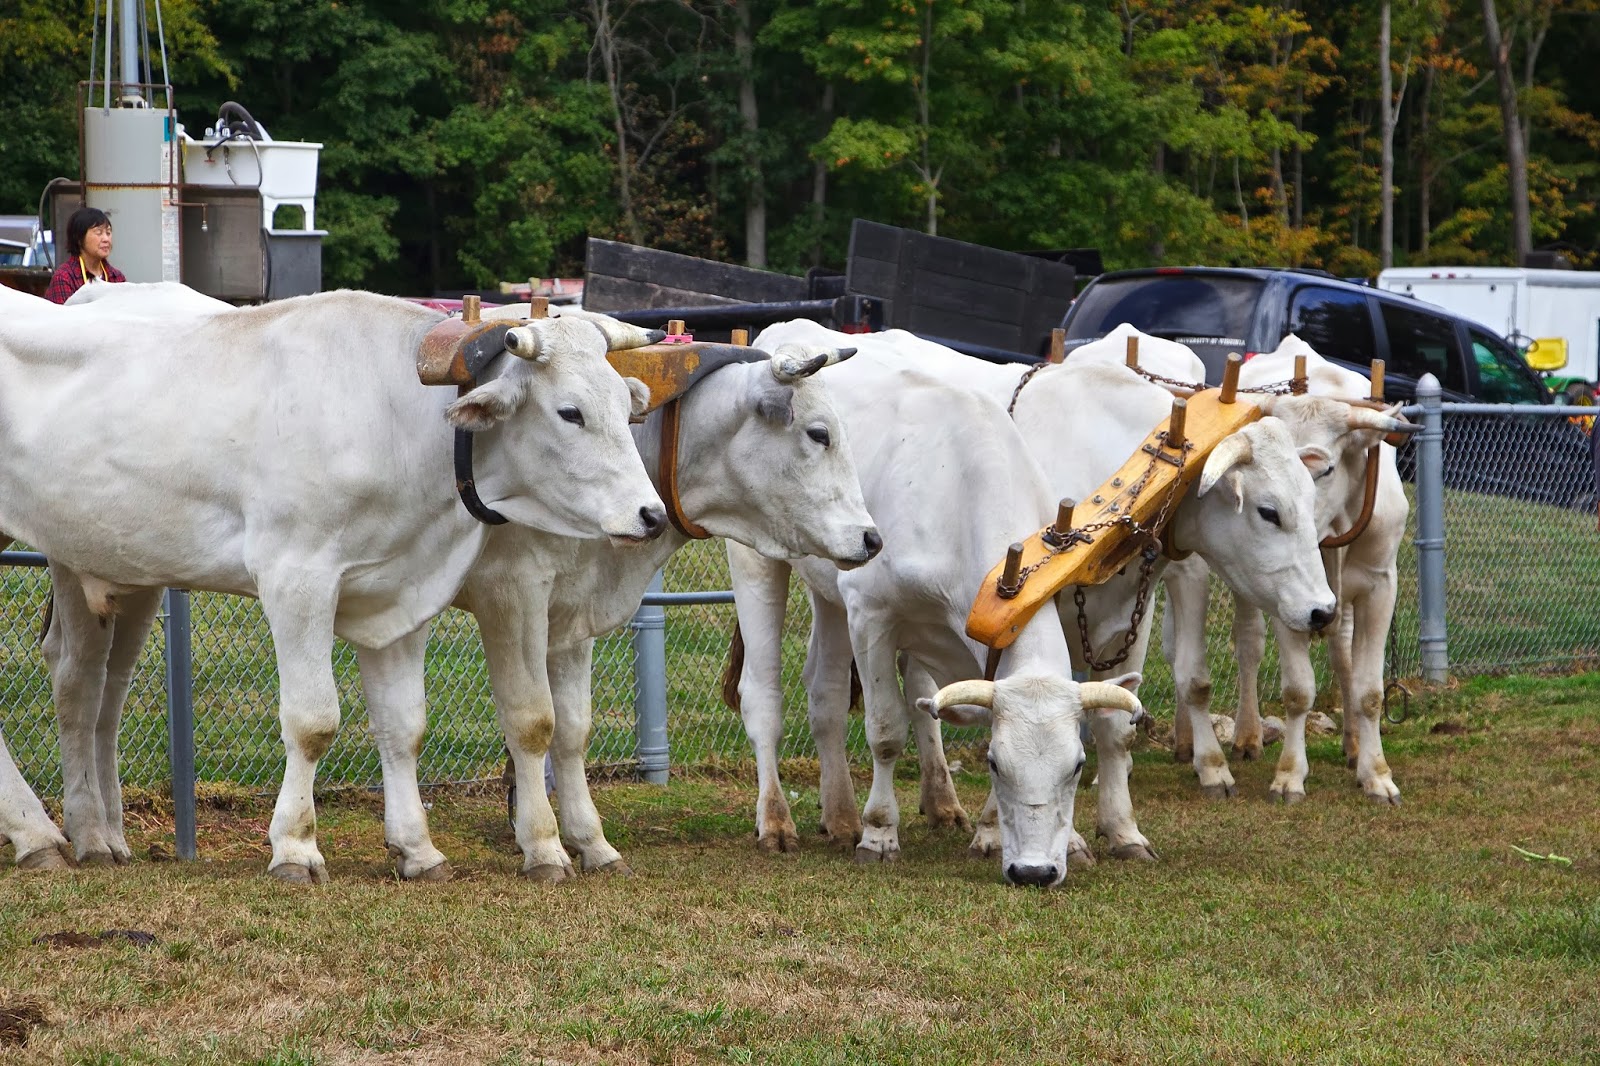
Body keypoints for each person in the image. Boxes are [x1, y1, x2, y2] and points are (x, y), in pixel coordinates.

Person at [44, 207, 125, 304]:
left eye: (108, 233)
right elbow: (64, 317)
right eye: (99, 233)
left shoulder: (117, 277)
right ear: (79, 238)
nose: (106, 239)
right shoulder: (65, 278)